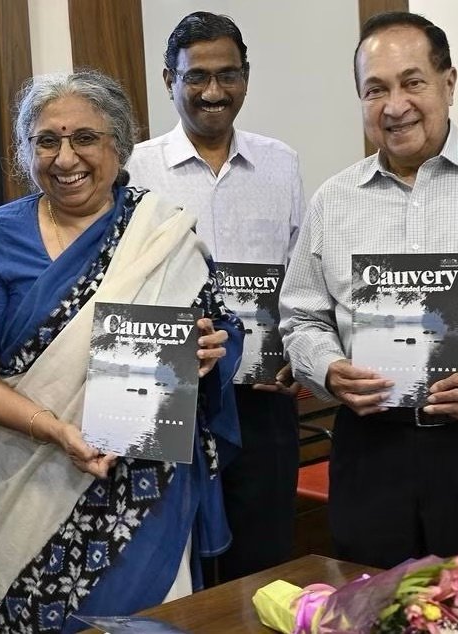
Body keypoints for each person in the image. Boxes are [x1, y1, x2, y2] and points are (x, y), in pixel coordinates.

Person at [0, 69, 244, 633]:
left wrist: (208, 354)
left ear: (119, 145)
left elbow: (222, 331)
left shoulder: (160, 232)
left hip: (147, 491)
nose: (65, 158)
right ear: (26, 151)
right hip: (32, 481)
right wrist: (56, 430)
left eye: (85, 138)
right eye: (46, 141)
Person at [279, 12, 458, 568]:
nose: (395, 106)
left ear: (449, 83)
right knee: (370, 600)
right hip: (372, 452)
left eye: (412, 82)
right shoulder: (333, 201)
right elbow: (302, 319)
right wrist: (327, 369)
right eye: (376, 89)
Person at [127, 11, 304, 583]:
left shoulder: (281, 162)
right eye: (196, 76)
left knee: (263, 564)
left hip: (262, 398)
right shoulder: (135, 168)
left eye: (228, 75)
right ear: (169, 80)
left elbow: (300, 278)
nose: (213, 92)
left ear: (245, 78)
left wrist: (299, 350)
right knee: (177, 567)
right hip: (170, 393)